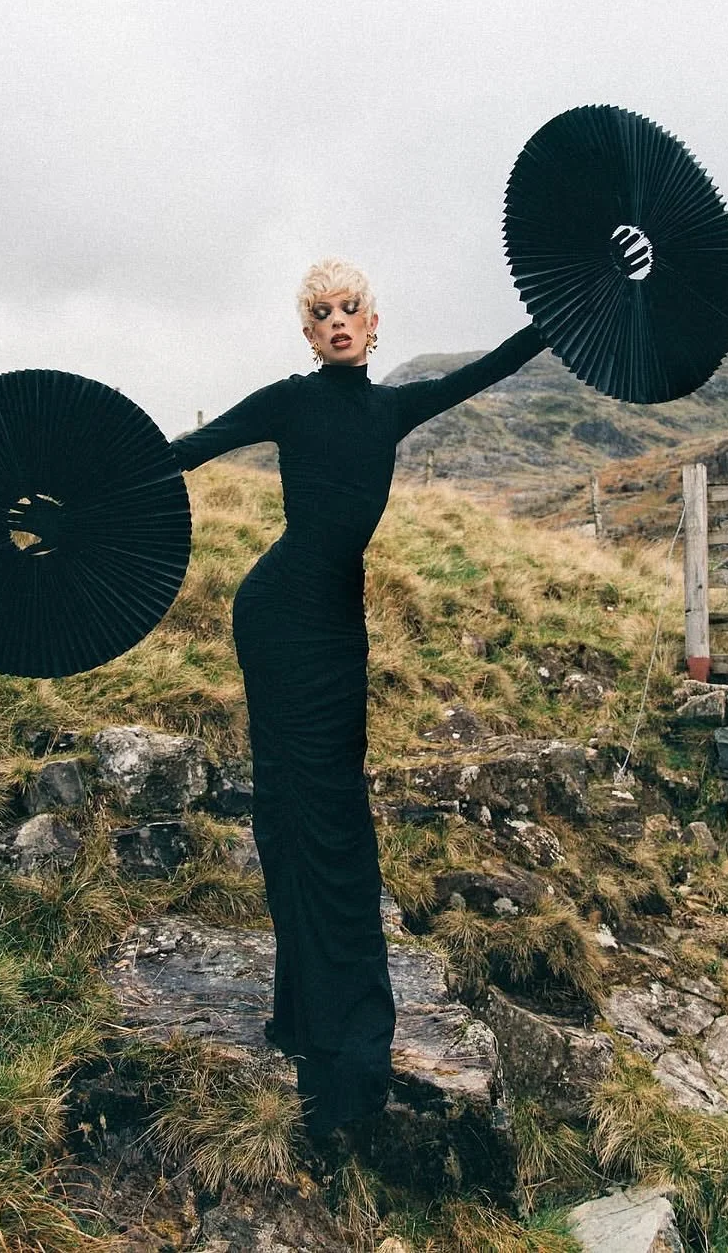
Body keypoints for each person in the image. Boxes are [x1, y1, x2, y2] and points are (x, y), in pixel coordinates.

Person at [169, 258, 546, 1137]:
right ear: (307, 333)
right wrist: (82, 486)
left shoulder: (391, 408)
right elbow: (180, 454)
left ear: (375, 324)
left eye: (350, 309)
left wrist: (574, 307)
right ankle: (339, 1041)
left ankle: (323, 1027)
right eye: (320, 313)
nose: (337, 321)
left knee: (332, 819)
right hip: (277, 618)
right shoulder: (286, 402)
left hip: (338, 631)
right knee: (300, 818)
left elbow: (492, 367)